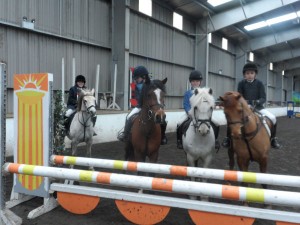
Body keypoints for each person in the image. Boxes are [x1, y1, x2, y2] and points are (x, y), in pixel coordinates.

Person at [222, 62, 281, 149]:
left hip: (258, 107)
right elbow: (239, 97)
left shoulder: (259, 84)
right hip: (244, 108)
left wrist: (257, 102)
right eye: (247, 73)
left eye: (252, 73)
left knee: (273, 118)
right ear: (244, 74)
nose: (249, 75)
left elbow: (263, 98)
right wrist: (246, 104)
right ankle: (228, 139)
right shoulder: (241, 83)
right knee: (232, 120)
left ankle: (273, 139)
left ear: (255, 74)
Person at [117, 65, 168, 145]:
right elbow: (137, 96)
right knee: (129, 116)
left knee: (163, 120)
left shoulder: (151, 84)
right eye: (135, 78)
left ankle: (163, 136)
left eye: (137, 78)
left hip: (151, 107)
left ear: (144, 77)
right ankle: (125, 134)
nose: (136, 80)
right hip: (140, 106)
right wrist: (140, 104)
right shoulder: (138, 86)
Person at [176, 70, 220, 150]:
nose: (195, 83)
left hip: (203, 114)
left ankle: (215, 140)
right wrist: (190, 113)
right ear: (190, 82)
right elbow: (186, 104)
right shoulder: (188, 93)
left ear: (200, 82)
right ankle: (179, 140)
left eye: (197, 81)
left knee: (216, 123)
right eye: (193, 81)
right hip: (190, 114)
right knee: (179, 123)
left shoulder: (205, 92)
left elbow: (209, 102)